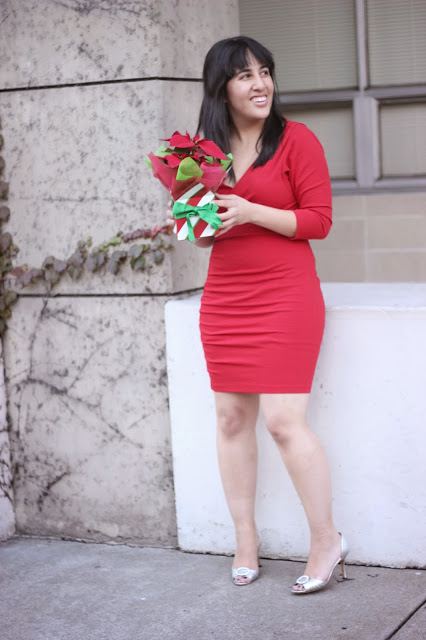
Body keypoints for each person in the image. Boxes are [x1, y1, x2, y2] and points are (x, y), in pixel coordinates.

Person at [172, 36, 348, 594]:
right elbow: (200, 239)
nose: (260, 84)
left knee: (281, 421)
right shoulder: (200, 152)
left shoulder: (297, 140)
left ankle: (326, 540)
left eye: (266, 72)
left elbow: (318, 220)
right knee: (230, 419)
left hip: (287, 294)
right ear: (220, 86)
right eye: (245, 75)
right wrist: (198, 223)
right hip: (225, 296)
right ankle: (244, 539)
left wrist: (250, 209)